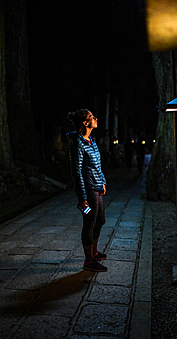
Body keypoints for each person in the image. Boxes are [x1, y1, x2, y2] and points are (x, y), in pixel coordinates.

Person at [67, 109, 107, 272]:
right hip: (89, 189)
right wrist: (82, 197)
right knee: (90, 222)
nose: (95, 119)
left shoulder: (91, 139)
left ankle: (94, 252)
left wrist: (103, 181)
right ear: (85, 123)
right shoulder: (78, 143)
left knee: (100, 220)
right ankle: (89, 260)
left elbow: (97, 164)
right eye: (92, 117)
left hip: (97, 186)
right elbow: (76, 171)